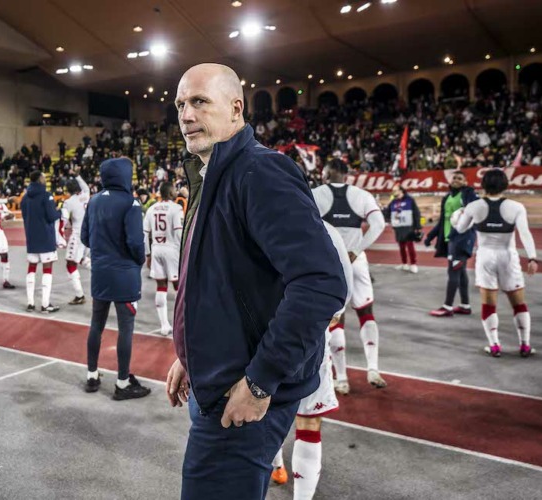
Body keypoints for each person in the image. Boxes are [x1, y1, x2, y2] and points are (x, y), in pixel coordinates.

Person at [165, 63, 348, 500]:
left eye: (199, 102)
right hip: (217, 377)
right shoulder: (214, 175)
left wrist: (261, 380)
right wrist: (190, 350)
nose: (186, 115)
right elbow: (219, 281)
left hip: (240, 391)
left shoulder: (259, 172)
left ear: (235, 108)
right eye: (180, 105)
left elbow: (320, 283)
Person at [270, 225, 353, 499]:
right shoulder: (325, 230)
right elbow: (344, 292)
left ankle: (277, 467)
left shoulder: (245, 221)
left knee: (266, 414)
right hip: (310, 339)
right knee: (309, 422)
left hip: (261, 340)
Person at [313, 160, 387, 395]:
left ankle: (342, 378)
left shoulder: (315, 194)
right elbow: (378, 224)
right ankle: (373, 368)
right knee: (366, 312)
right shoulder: (362, 195)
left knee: (336, 319)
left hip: (330, 263)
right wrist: (358, 249)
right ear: (347, 176)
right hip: (357, 262)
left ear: (325, 174)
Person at [81, 157, 150, 400]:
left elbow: (84, 238)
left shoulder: (94, 201)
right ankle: (122, 382)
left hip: (100, 273)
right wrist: (140, 259)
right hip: (124, 275)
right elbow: (134, 241)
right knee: (126, 329)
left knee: (96, 324)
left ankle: (91, 374)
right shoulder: (131, 203)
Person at [452, 169, 538, 357]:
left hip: (485, 257)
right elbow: (525, 233)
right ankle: (525, 345)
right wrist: (532, 257)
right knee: (518, 302)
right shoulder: (516, 207)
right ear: (505, 184)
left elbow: (460, 228)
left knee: (489, 304)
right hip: (508, 256)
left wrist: (457, 215)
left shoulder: (474, 206)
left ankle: (495, 345)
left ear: (484, 185)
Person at [425, 170, 478, 317]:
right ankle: (465, 305)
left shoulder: (468, 194)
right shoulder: (447, 197)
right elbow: (443, 221)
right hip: (450, 240)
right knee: (460, 272)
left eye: (460, 178)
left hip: (462, 240)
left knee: (453, 272)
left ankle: (447, 307)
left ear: (465, 182)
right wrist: (431, 236)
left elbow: (473, 215)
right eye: (454, 177)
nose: (456, 180)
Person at [143, 181, 184, 336]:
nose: (176, 191)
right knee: (179, 287)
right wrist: (184, 252)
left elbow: (144, 234)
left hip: (156, 250)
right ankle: (183, 324)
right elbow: (179, 233)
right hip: (171, 249)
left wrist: (147, 254)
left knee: (161, 286)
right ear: (170, 192)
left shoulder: (151, 209)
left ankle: (164, 325)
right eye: (174, 189)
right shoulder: (176, 208)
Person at [21, 170, 61, 313]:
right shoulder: (46, 195)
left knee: (31, 269)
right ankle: (45, 304)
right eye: (44, 177)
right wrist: (59, 212)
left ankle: (30, 303)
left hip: (31, 239)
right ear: (39, 179)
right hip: (45, 238)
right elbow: (51, 216)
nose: (45, 179)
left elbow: (25, 217)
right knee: (47, 269)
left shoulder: (25, 198)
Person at [61, 172, 91, 305]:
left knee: (70, 263)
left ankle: (79, 295)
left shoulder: (68, 202)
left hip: (78, 235)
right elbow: (85, 186)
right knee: (83, 259)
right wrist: (78, 175)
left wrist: (60, 233)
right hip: (89, 233)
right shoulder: (86, 194)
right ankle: (105, 274)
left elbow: (65, 220)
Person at [384, 185, 422, 273]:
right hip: (398, 227)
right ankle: (404, 264)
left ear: (401, 190)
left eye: (395, 190)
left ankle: (413, 264)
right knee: (401, 247)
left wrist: (418, 226)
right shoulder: (393, 202)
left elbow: (416, 213)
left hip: (409, 227)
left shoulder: (410, 199)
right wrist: (390, 221)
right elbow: (387, 213)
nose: (393, 192)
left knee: (410, 246)